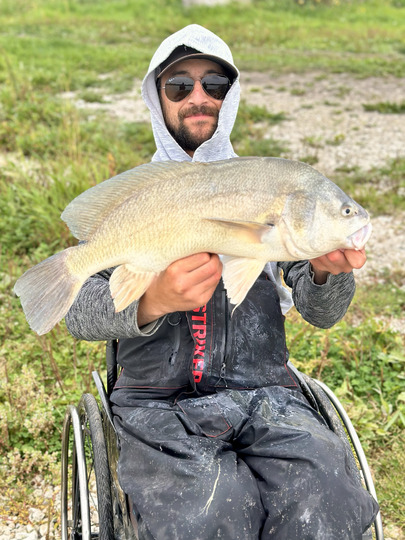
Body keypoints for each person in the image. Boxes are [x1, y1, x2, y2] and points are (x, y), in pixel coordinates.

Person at [65, 24, 379, 539]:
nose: (198, 97)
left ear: (229, 98)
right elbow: (79, 313)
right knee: (211, 513)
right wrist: (152, 299)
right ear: (156, 97)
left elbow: (323, 313)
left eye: (214, 84)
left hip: (267, 396)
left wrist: (325, 272)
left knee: (325, 497)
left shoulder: (273, 189)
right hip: (157, 405)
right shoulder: (136, 199)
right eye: (178, 86)